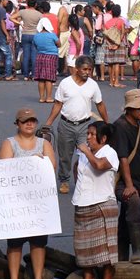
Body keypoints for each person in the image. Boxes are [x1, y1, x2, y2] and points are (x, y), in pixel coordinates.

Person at [0, 110, 58, 279]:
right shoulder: (9, 143)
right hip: (16, 201)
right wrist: (29, 162)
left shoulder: (44, 143)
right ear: (17, 123)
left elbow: (51, 167)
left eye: (32, 121)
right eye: (25, 122)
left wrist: (38, 163)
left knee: (38, 242)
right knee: (15, 243)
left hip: (38, 201)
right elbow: (3, 167)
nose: (29, 124)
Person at [43, 56, 109, 195]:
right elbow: (57, 104)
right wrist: (48, 123)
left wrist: (107, 122)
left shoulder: (93, 85)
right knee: (65, 156)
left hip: (85, 127)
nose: (87, 72)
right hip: (66, 125)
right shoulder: (65, 83)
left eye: (90, 70)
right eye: (84, 69)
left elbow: (100, 104)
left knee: (85, 155)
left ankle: (83, 181)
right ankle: (64, 180)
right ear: (77, 69)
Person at [71, 121, 120, 279]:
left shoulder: (109, 152)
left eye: (92, 134)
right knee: (84, 245)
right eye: (88, 134)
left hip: (102, 203)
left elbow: (99, 166)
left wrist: (86, 151)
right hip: (83, 202)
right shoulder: (85, 153)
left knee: (106, 245)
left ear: (103, 138)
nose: (89, 138)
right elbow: (77, 169)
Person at [111, 90, 140, 264]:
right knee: (133, 205)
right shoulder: (120, 127)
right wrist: (129, 185)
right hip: (125, 181)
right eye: (139, 107)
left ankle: (121, 258)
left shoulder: (137, 123)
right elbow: (122, 159)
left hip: (139, 179)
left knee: (125, 219)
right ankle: (137, 251)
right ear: (129, 109)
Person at [102, 3, 129, 88]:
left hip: (109, 44)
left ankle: (111, 81)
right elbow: (122, 33)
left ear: (112, 12)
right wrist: (117, 44)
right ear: (119, 12)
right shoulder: (121, 21)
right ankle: (116, 82)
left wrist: (110, 44)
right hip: (118, 44)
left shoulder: (107, 22)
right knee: (116, 63)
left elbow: (105, 35)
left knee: (110, 64)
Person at [34, 15, 60, 103]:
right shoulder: (52, 35)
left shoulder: (36, 36)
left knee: (41, 78)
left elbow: (35, 45)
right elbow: (59, 44)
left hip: (40, 56)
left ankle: (41, 97)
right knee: (48, 78)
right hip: (51, 56)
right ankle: (49, 97)